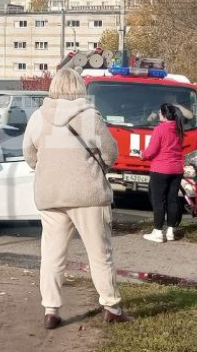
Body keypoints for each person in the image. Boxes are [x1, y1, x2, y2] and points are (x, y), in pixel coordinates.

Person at [23, 68, 129, 330]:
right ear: (80, 87)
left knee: (52, 255)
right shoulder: (90, 116)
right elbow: (110, 151)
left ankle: (51, 310)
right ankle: (111, 306)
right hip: (88, 194)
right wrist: (100, 168)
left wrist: (48, 168)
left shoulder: (38, 117)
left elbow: (29, 155)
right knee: (99, 253)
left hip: (50, 195)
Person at [141, 102, 186, 243]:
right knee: (172, 200)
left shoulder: (159, 129)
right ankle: (171, 231)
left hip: (160, 169)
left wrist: (143, 155)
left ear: (163, 114)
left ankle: (158, 232)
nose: (158, 115)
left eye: (159, 113)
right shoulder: (179, 129)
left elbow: (152, 151)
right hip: (177, 169)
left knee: (159, 201)